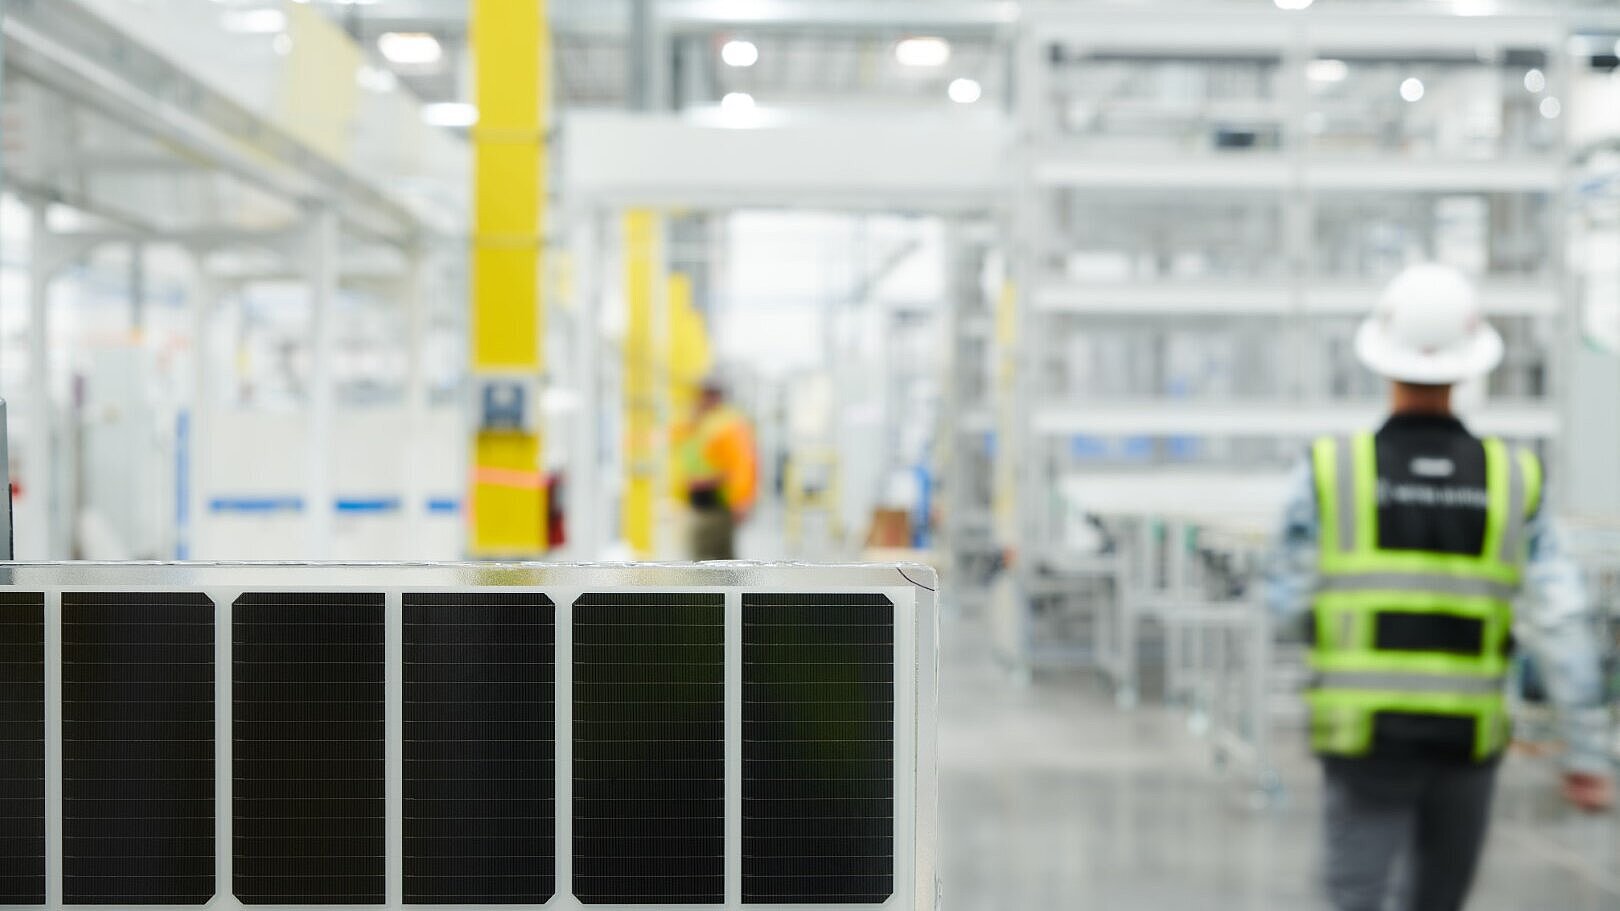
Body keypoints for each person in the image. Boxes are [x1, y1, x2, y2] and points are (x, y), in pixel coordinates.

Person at [1264, 264, 1614, 911]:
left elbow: (1285, 602)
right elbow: (1561, 620)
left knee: (1355, 897)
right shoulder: (1516, 479)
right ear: (1471, 362)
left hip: (1361, 736)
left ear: (1382, 358)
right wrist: (1587, 746)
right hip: (1466, 740)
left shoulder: (1330, 470)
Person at [679, 378, 758, 560]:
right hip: (703, 503)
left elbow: (741, 464)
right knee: (722, 559)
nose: (702, 400)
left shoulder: (726, 425)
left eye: (708, 395)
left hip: (716, 504)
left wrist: (741, 501)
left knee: (704, 559)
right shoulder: (702, 422)